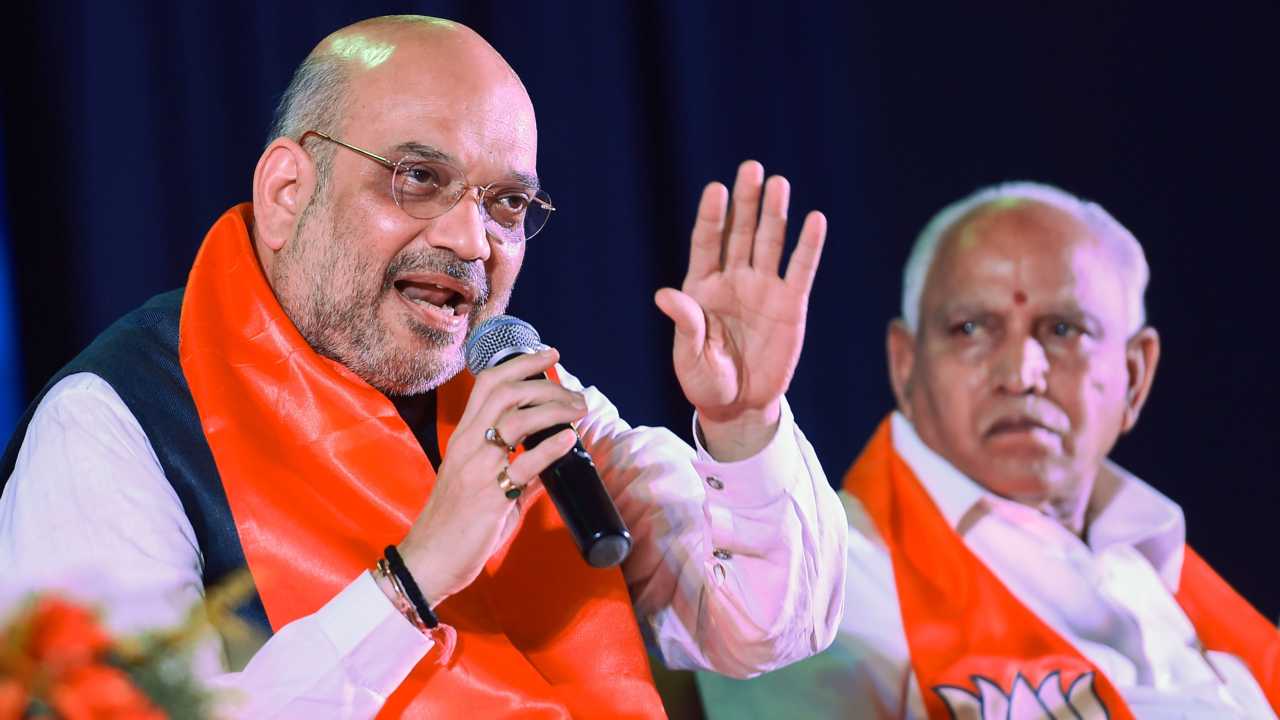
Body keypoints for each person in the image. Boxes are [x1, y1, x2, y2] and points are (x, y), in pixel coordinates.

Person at [0, 16, 847, 718]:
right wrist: (415, 578)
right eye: (417, 178)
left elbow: (760, 629)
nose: (471, 242)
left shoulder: (530, 405)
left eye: (507, 203)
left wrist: (744, 425)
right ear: (288, 191)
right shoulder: (117, 422)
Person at [697, 182, 1279, 718]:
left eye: (1063, 330)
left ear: (1135, 374)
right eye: (972, 329)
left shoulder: (1159, 563)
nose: (1022, 374)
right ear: (905, 364)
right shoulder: (815, 585)